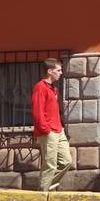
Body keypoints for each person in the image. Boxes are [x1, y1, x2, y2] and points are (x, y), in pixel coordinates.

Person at [32, 59, 70, 191]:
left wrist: (60, 127)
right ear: (50, 71)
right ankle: (43, 194)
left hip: (58, 130)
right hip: (49, 132)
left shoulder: (54, 88)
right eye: (58, 70)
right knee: (50, 164)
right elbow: (38, 111)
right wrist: (46, 130)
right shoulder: (40, 87)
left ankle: (45, 187)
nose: (61, 73)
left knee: (66, 161)